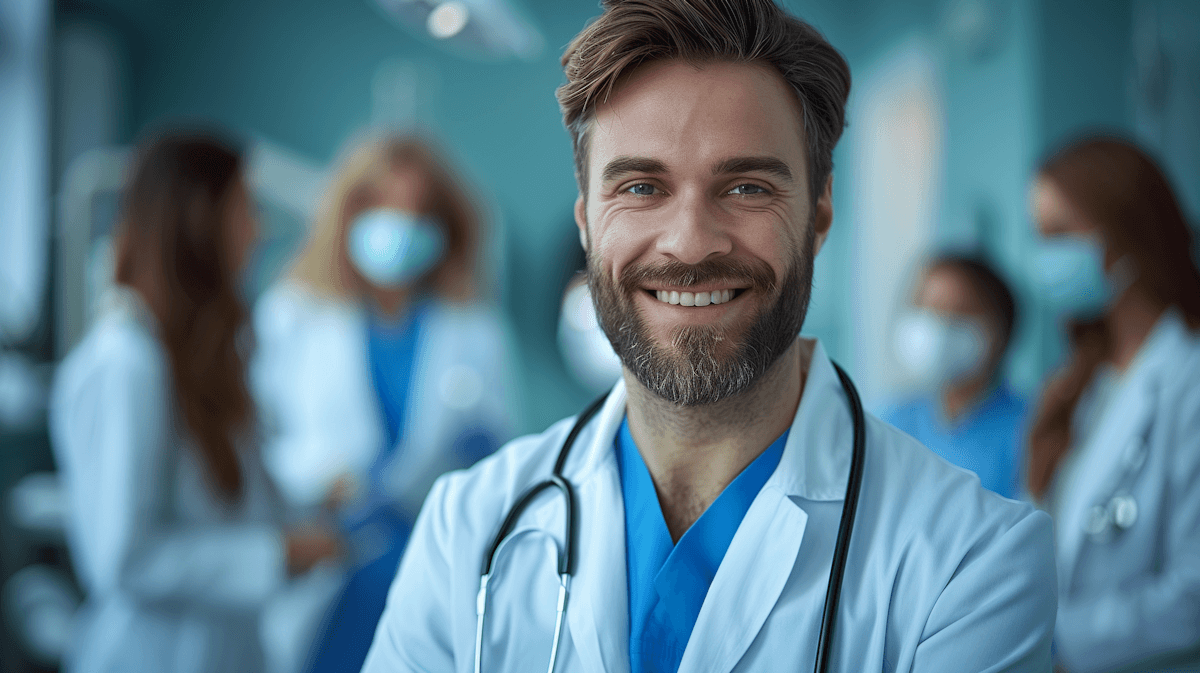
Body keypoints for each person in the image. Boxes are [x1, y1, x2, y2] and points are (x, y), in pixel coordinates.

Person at [363, 0, 1056, 671]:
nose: (690, 243)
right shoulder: (469, 530)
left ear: (818, 216)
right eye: (640, 187)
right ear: (586, 219)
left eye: (747, 187)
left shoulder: (973, 559)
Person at [49, 132, 340, 673]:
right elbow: (124, 560)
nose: (258, 232)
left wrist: (319, 508)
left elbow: (237, 502)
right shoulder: (125, 364)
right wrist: (277, 556)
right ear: (198, 224)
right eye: (245, 210)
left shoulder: (199, 359)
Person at [251, 134, 518, 673]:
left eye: (418, 210)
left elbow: (506, 454)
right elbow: (252, 447)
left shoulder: (472, 328)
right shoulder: (293, 316)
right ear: (348, 213)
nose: (401, 224)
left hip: (427, 560)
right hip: (322, 555)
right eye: (384, 206)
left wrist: (480, 461)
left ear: (445, 226)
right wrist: (321, 480)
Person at [1026, 137, 1200, 673]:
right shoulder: (1080, 384)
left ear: (1127, 235)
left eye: (1059, 235)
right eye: (1039, 237)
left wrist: (1055, 641)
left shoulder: (1188, 380)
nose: (1045, 258)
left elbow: (1193, 598)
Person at [881, 254, 1027, 498]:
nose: (938, 327)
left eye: (958, 313)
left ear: (998, 330)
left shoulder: (1028, 430)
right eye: (925, 309)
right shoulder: (891, 421)